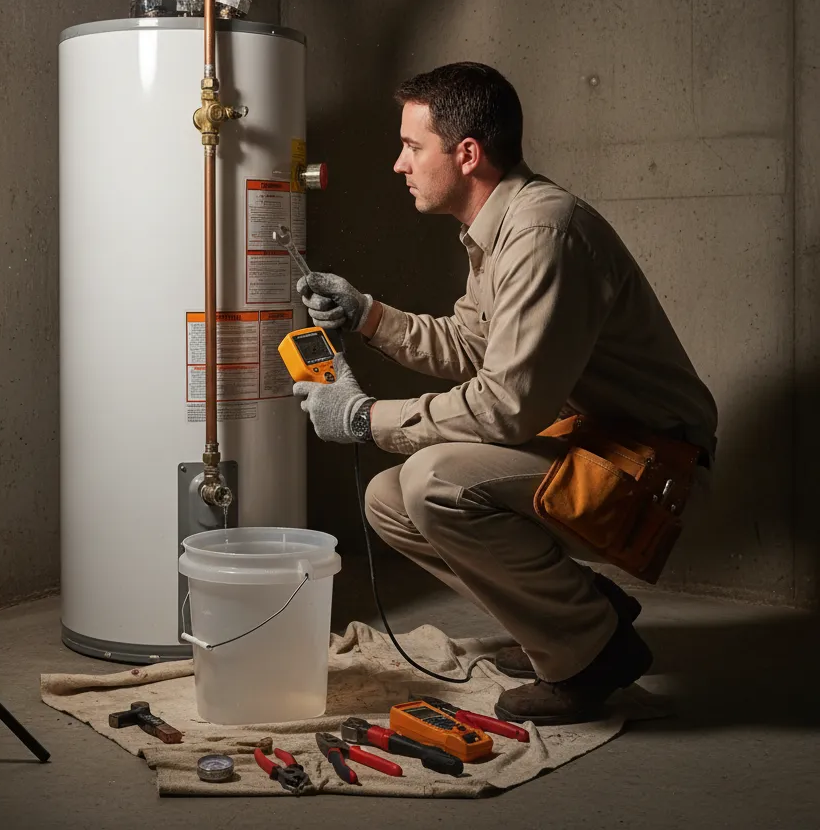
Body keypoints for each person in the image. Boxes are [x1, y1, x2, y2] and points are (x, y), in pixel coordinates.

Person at [294, 62, 717, 726]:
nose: (399, 164)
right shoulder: (498, 228)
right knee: (388, 499)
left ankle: (590, 656)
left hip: (654, 470)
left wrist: (366, 417)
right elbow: (472, 342)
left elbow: (506, 406)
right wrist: (370, 314)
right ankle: (578, 617)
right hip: (592, 445)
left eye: (412, 146)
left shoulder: (542, 233)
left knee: (435, 480)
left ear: (465, 154)